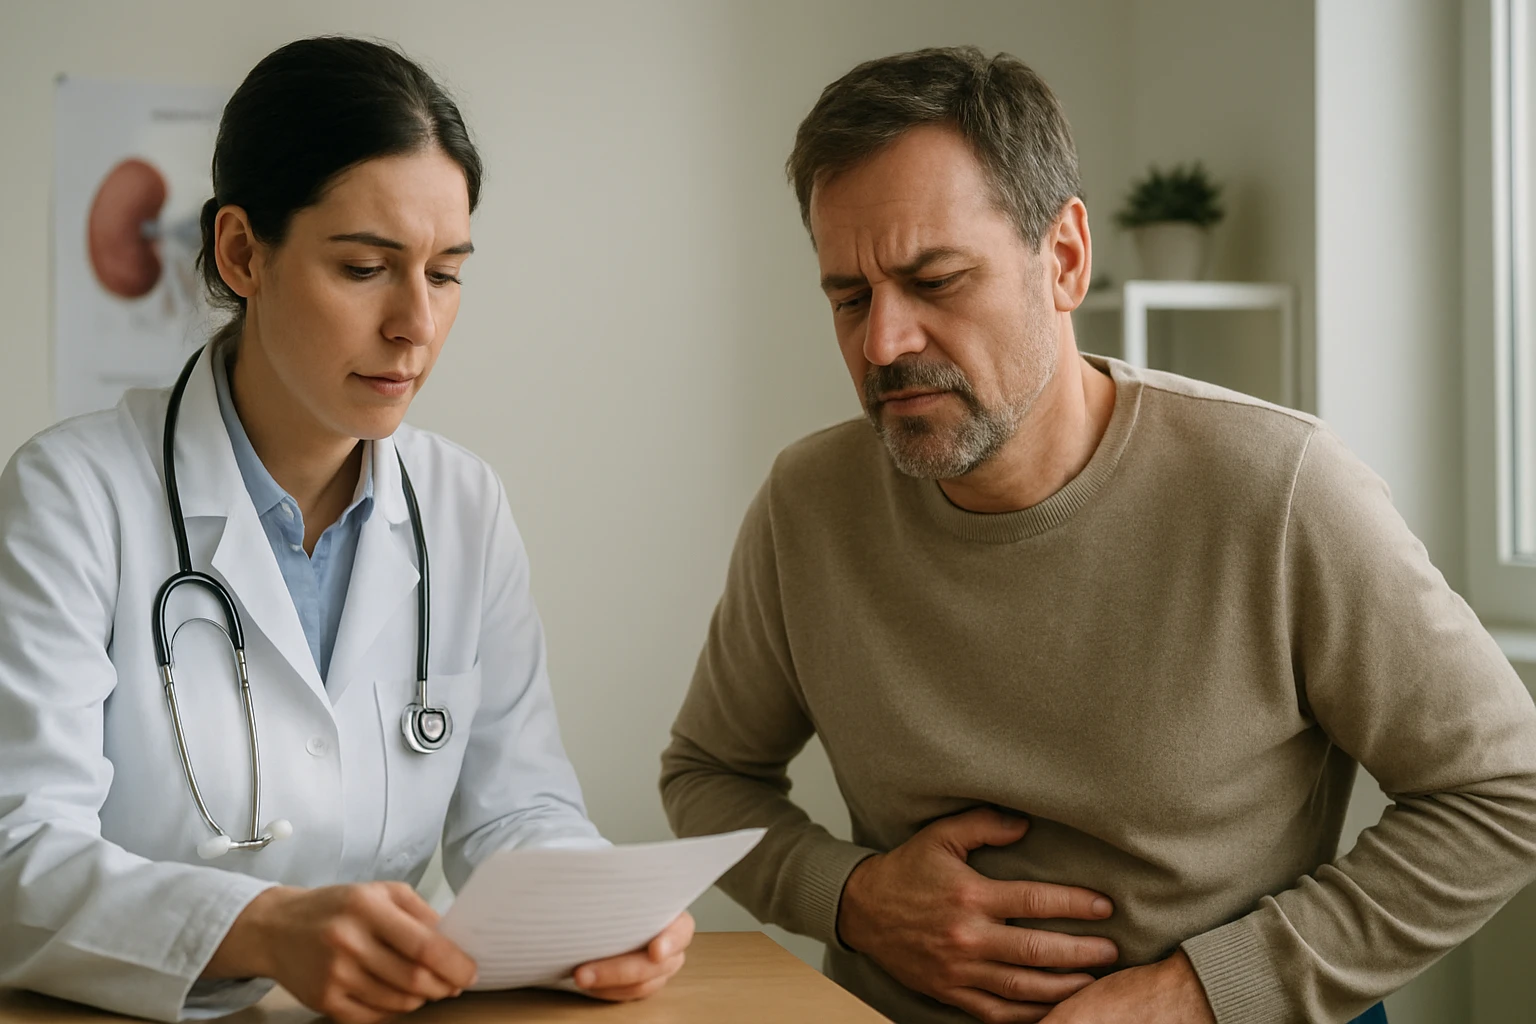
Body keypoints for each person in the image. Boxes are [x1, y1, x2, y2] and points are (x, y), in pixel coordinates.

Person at [660, 45, 1536, 1024]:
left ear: (1066, 259)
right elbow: (706, 775)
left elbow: (1505, 790)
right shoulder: (808, 502)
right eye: (849, 297)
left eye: (936, 280)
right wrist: (852, 900)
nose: (883, 344)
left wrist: (1199, 992)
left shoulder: (1280, 490)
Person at [0, 37, 690, 1024]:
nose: (416, 323)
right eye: (367, 267)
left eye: (446, 273)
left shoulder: (463, 506)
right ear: (242, 253)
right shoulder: (72, 498)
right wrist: (264, 926)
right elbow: (18, 858)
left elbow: (516, 808)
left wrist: (596, 907)